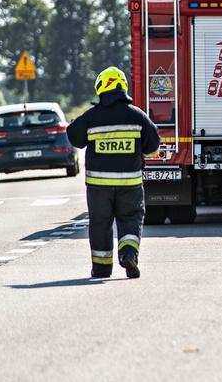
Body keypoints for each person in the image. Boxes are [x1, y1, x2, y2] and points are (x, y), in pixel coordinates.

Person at [66, 66, 160, 279]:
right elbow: (153, 146)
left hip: (98, 187)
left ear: (100, 87)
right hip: (130, 185)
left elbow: (73, 136)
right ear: (123, 87)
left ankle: (101, 268)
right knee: (131, 219)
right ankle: (128, 254)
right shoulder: (137, 116)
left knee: (100, 224)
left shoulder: (91, 117)